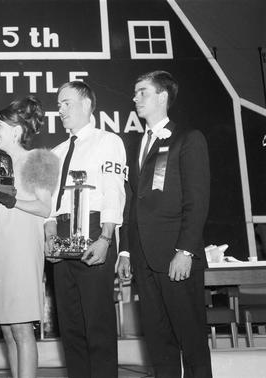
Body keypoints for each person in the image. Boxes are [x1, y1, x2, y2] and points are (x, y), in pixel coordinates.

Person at [117, 70, 212, 378]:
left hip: (175, 256)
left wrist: (185, 250)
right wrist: (127, 252)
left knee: (192, 340)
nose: (135, 98)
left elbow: (196, 202)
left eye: (142, 92)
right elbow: (132, 201)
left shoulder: (188, 138)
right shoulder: (136, 144)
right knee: (159, 344)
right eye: (135, 93)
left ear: (162, 97)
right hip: (144, 260)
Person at [44, 81, 127, 378]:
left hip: (94, 229)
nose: (61, 109)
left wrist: (106, 238)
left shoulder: (108, 141)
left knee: (98, 323)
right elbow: (51, 205)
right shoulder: (55, 151)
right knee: (70, 326)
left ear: (87, 104)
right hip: (63, 233)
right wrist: (50, 236)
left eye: (67, 103)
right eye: (59, 104)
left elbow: (114, 193)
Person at [0, 96, 59, 378]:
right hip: (0, 246)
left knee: (22, 328)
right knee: (8, 329)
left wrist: (12, 201)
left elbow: (44, 207)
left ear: (15, 130)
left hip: (23, 250)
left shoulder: (40, 159)